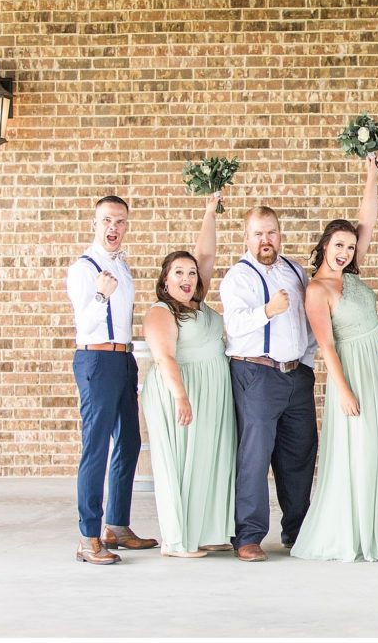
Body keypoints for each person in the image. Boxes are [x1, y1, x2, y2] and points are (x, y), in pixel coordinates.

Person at [292, 154, 378, 562]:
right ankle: (354, 532)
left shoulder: (352, 276)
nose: (344, 252)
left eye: (350, 247)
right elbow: (326, 345)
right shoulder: (317, 290)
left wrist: (372, 174)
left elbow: (367, 220)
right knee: (360, 448)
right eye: (338, 245)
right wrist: (342, 390)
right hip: (353, 371)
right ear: (325, 245)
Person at [220, 205, 318, 562]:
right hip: (256, 374)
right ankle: (248, 535)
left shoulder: (294, 270)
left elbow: (309, 321)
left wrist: (305, 363)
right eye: (258, 233)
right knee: (255, 456)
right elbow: (234, 324)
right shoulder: (238, 277)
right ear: (246, 238)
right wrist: (268, 311)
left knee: (300, 454)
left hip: (296, 375)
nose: (266, 240)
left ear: (280, 233)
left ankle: (297, 531)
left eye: (271, 232)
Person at [141, 194, 235, 558]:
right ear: (165, 280)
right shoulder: (162, 311)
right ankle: (177, 541)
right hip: (180, 389)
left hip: (213, 389)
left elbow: (206, 255)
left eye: (191, 272)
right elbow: (164, 356)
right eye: (178, 272)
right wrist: (181, 396)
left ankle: (206, 531)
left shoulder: (198, 301)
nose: (187, 277)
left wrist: (210, 212)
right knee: (179, 463)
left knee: (208, 459)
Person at [66, 195, 157, 564]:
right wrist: (102, 295)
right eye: (106, 220)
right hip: (96, 358)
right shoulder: (84, 268)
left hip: (123, 359)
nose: (113, 228)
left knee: (130, 441)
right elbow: (84, 324)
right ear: (95, 223)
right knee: (97, 446)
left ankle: (116, 525)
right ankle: (88, 536)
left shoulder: (123, 265)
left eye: (120, 221)